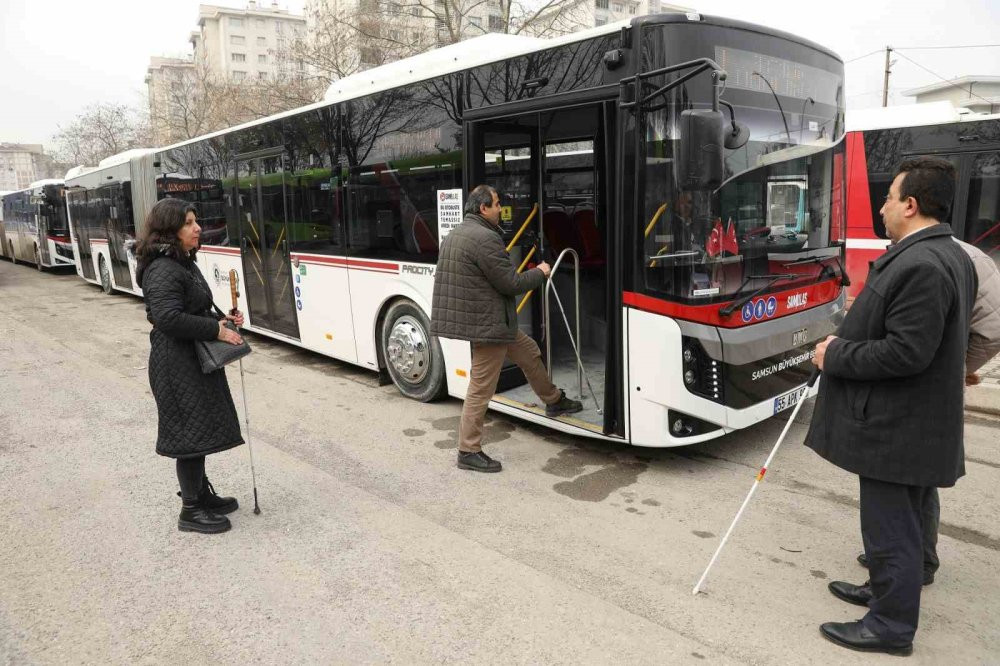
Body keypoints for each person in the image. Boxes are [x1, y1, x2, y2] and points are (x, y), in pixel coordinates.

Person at [805, 157, 977, 655]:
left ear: (911, 204)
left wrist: (835, 353)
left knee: (890, 523)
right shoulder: (946, 253)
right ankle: (886, 587)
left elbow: (906, 352)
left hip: (898, 424)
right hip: (915, 419)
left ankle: (890, 626)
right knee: (910, 514)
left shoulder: (922, 263)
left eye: (887, 198)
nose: (881, 208)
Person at [852, 236, 1000, 585]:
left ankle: (913, 564)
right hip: (927, 381)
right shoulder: (937, 252)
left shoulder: (938, 260)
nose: (883, 208)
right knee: (913, 481)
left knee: (911, 480)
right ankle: (906, 558)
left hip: (927, 389)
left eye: (889, 198)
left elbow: (992, 330)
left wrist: (959, 367)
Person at [431, 185, 583, 473]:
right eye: (498, 204)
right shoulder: (485, 238)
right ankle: (468, 449)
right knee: (480, 388)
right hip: (489, 326)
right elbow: (510, 283)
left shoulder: (459, 232)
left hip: (491, 321)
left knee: (529, 353)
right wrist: (540, 272)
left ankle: (553, 400)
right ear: (482, 209)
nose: (502, 209)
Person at [135, 198, 246, 534]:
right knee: (189, 435)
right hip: (175, 364)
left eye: (196, 221)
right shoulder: (163, 268)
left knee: (199, 430)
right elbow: (168, 318)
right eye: (188, 223)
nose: (198, 228)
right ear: (170, 230)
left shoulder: (182, 262)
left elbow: (189, 309)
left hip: (190, 360)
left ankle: (201, 495)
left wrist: (221, 318)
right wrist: (216, 330)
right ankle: (191, 511)